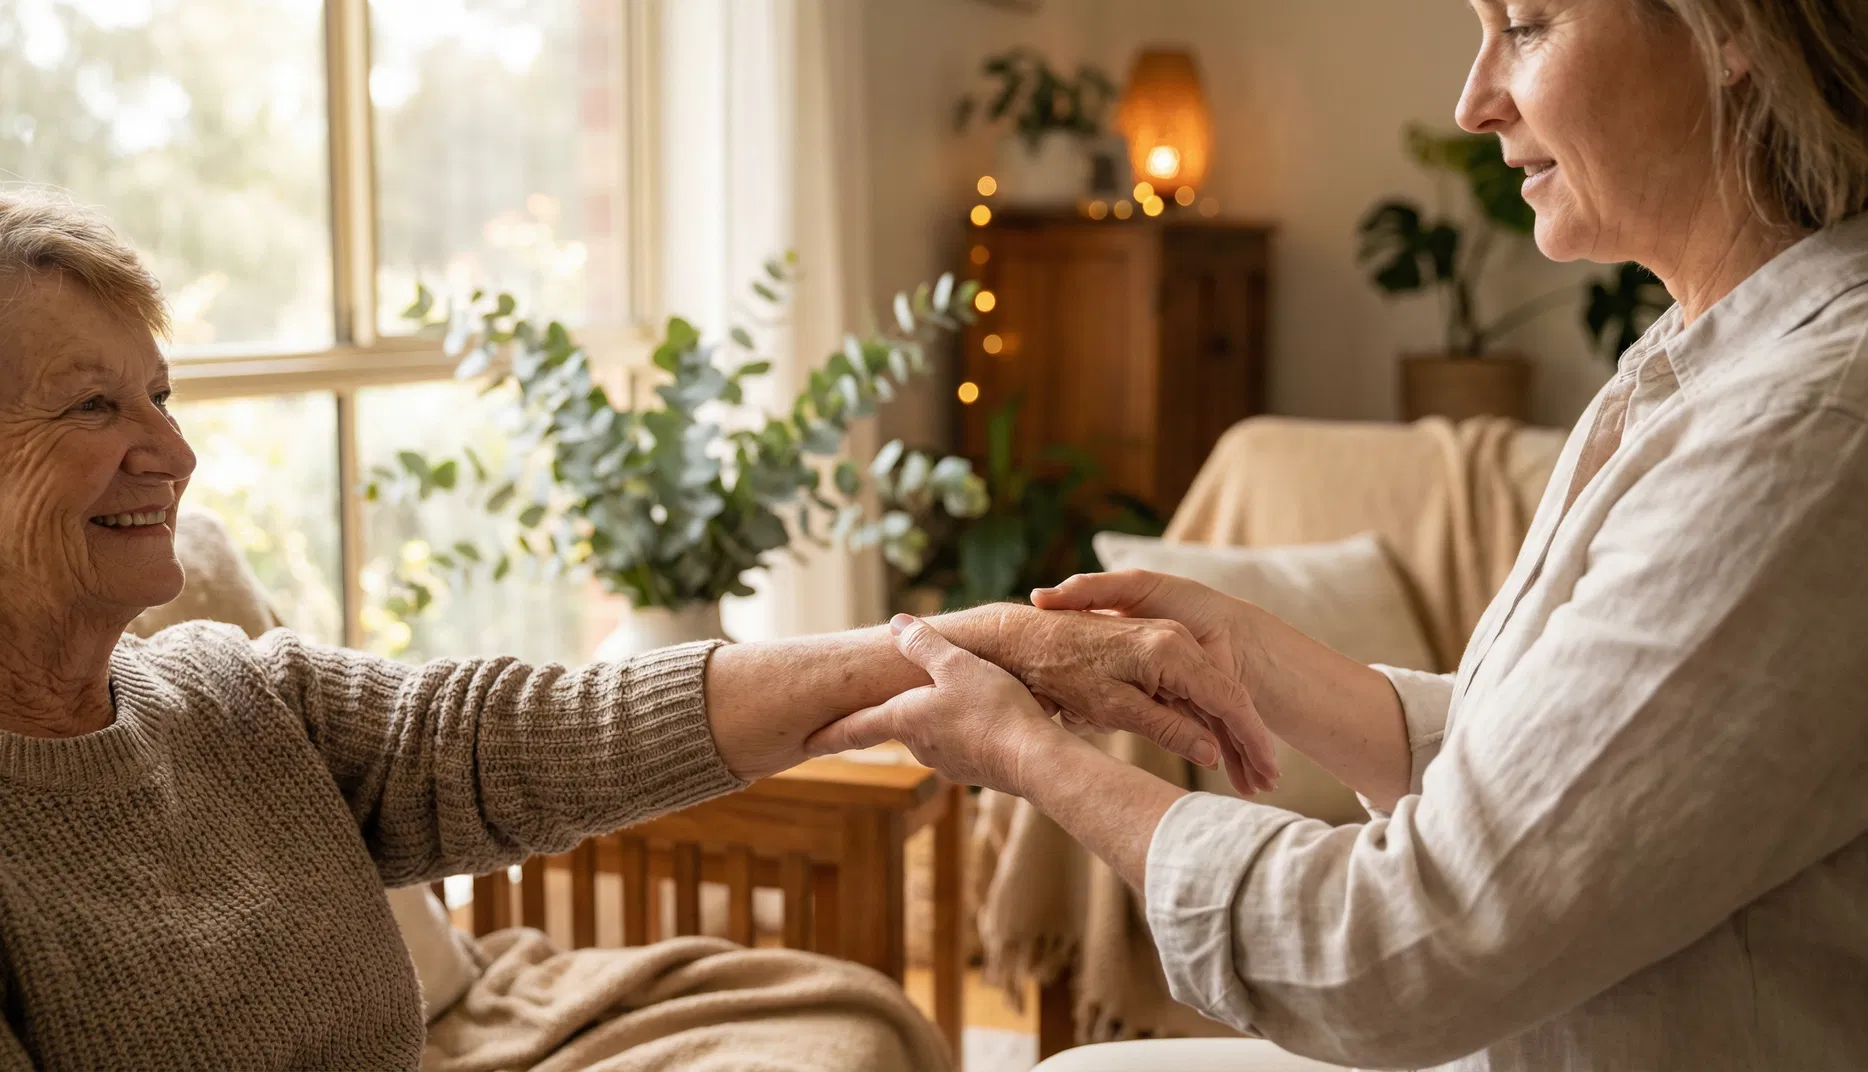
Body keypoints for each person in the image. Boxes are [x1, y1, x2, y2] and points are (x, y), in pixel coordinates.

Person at [808, 1, 1868, 1068]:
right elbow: (1571, 777)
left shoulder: (1811, 431)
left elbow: (1405, 948)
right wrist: (1249, 655)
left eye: (1525, 27)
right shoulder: (1720, 358)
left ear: (1733, 27)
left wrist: (1031, 758)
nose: (1475, 100)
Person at [0, 189, 1278, 1071]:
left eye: (162, 394)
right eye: (96, 406)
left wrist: (986, 645)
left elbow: (545, 729)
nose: (175, 450)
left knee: (851, 1020)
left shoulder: (231, 696)